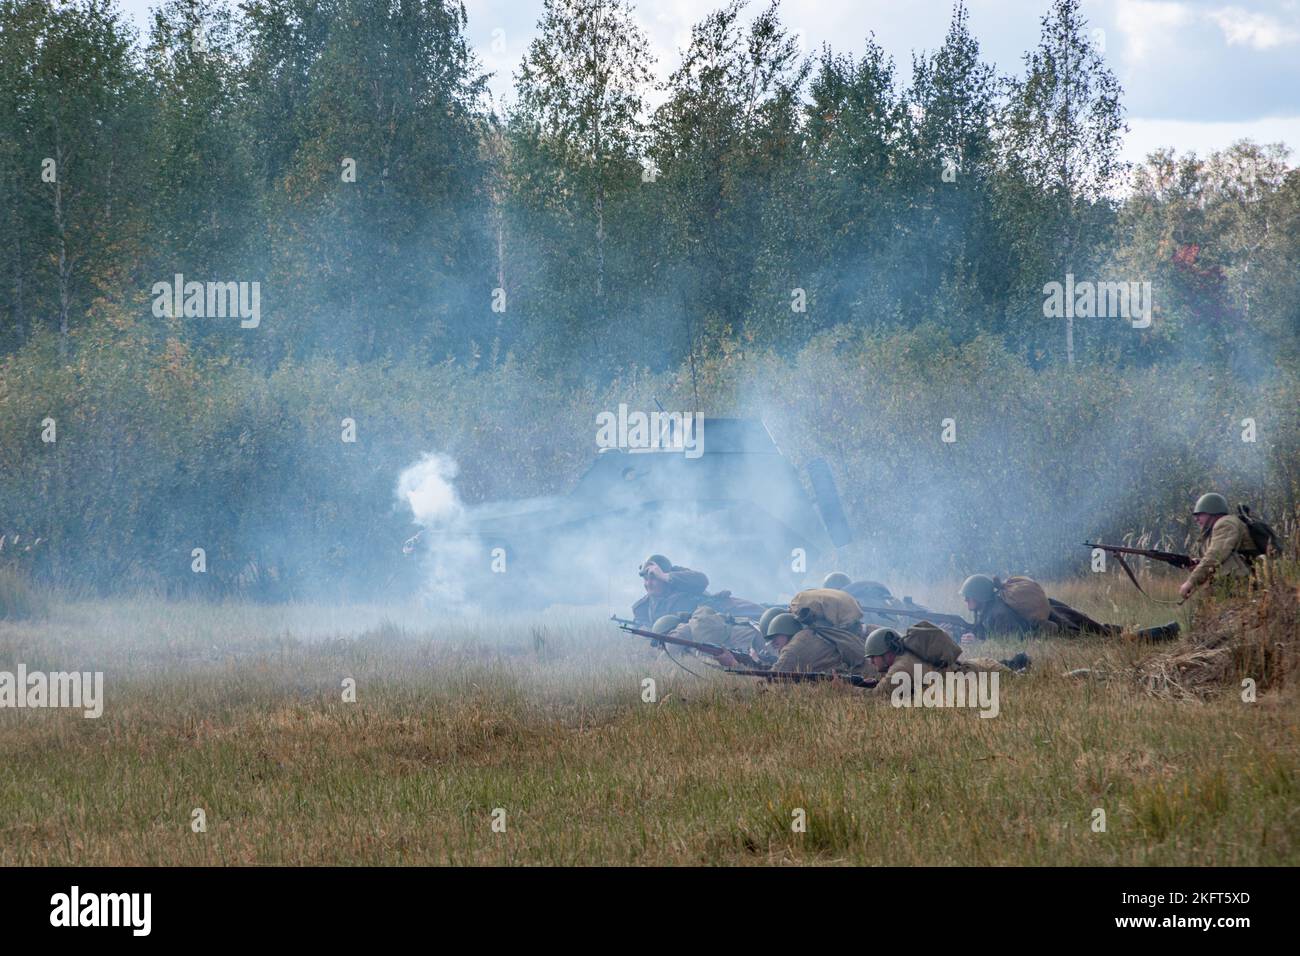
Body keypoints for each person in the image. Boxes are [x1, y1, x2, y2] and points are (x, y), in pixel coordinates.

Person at [957, 574, 1179, 642]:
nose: (966, 602)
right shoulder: (995, 606)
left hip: (1057, 628)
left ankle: (1164, 633)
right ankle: (1165, 631)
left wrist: (979, 640)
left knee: (1109, 643)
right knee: (1104, 631)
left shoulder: (997, 614)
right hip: (1056, 612)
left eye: (968, 598)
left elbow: (1014, 639)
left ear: (980, 597)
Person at [863, 624, 1017, 697]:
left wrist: (841, 687)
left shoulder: (900, 667)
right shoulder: (906, 655)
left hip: (983, 674)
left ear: (887, 654)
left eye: (873, 657)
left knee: (1020, 684)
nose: (871, 662)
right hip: (979, 667)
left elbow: (876, 697)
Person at [1179, 493, 1260, 599]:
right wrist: (1199, 564)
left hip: (1238, 587)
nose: (1196, 519)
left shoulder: (1225, 523)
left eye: (1200, 514)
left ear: (1212, 511)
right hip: (1236, 586)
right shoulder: (1217, 527)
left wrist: (1191, 581)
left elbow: (1215, 555)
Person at [631, 554, 710, 624]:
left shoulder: (684, 585)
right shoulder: (643, 607)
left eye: (653, 578)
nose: (648, 584)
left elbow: (702, 580)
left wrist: (665, 576)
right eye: (646, 579)